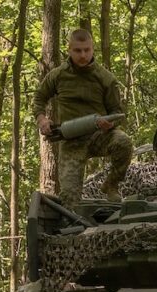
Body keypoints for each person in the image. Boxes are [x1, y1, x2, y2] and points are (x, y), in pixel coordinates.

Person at [32, 29, 132, 203]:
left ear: (93, 49)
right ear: (69, 50)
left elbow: (117, 112)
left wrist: (109, 124)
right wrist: (42, 119)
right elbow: (39, 98)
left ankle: (111, 184)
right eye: (78, 50)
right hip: (71, 142)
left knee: (123, 142)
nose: (83, 55)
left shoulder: (105, 78)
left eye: (87, 50)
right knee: (69, 198)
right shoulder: (58, 75)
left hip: (99, 136)